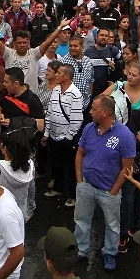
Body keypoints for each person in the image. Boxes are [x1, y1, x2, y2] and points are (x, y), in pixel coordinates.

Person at [74, 96, 135, 271]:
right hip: (86, 185)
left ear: (105, 112)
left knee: (112, 225)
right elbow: (80, 153)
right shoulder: (88, 129)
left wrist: (114, 191)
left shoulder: (125, 136)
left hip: (109, 191)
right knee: (81, 220)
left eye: (94, 109)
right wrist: (79, 180)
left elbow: (127, 168)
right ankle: (81, 249)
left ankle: (110, 252)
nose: (90, 112)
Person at [43, 63, 84, 207]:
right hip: (54, 137)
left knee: (71, 168)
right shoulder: (55, 91)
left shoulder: (75, 94)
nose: (56, 74)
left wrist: (69, 137)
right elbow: (49, 112)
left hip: (67, 139)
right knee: (56, 165)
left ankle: (72, 195)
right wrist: (47, 133)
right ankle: (58, 189)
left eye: (59, 72)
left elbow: (77, 119)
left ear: (66, 76)